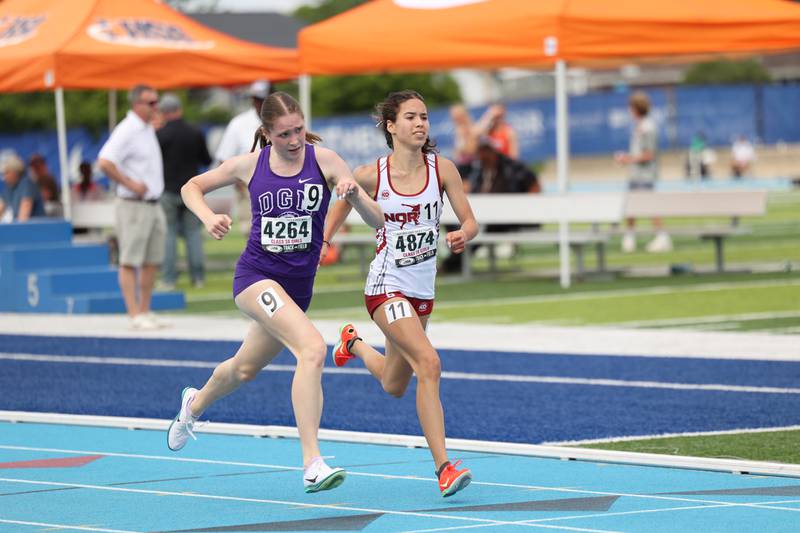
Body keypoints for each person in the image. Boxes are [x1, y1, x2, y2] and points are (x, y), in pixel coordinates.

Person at [167, 91, 383, 494]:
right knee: (313, 349)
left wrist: (354, 194)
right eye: (284, 134)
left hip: (297, 291)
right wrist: (208, 215)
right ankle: (312, 463)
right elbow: (191, 187)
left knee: (243, 369)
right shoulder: (250, 165)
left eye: (299, 129)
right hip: (256, 279)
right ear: (266, 134)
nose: (295, 140)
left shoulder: (327, 160)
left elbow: (378, 220)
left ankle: (193, 405)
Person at [321, 90, 478, 498]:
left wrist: (464, 233)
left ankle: (352, 344)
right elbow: (335, 214)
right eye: (410, 117)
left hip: (422, 291)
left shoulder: (442, 169)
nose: (420, 123)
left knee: (394, 384)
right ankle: (444, 467)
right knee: (429, 362)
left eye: (424, 117)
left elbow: (471, 220)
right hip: (385, 287)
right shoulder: (371, 174)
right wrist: (323, 244)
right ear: (391, 126)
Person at [97, 84, 167, 331]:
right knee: (130, 259)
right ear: (136, 104)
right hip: (133, 204)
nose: (155, 107)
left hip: (152, 202)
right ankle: (134, 312)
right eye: (150, 103)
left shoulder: (146, 128)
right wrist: (129, 183)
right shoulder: (127, 129)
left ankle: (145, 309)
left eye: (156, 102)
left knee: (152, 259)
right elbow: (105, 161)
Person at [156, 93, 212, 290]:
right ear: (179, 109)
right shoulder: (195, 132)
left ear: (163, 112)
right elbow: (206, 160)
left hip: (168, 190)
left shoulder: (159, 135)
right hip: (191, 191)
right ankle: (198, 277)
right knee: (193, 233)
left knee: (169, 234)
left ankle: (169, 279)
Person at [614, 91, 672, 253]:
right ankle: (630, 237)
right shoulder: (641, 126)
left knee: (649, 206)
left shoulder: (647, 127)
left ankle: (662, 237)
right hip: (637, 174)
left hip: (645, 175)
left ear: (635, 108)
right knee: (632, 205)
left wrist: (627, 159)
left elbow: (649, 155)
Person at [215, 80, 271, 235]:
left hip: (279, 185)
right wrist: (238, 180)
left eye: (263, 99)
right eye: (257, 99)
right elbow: (223, 158)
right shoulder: (239, 123)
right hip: (248, 187)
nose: (259, 103)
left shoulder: (282, 120)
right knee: (253, 235)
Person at [0, 153, 46, 222]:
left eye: (6, 173)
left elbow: (23, 217)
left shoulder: (27, 184)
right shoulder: (8, 187)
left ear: (15, 171)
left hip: (37, 228)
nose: (4, 177)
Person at [28, 153, 63, 217]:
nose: (35, 170)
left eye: (37, 167)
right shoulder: (34, 180)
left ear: (43, 166)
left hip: (53, 208)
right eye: (33, 167)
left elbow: (45, 196)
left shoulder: (47, 178)